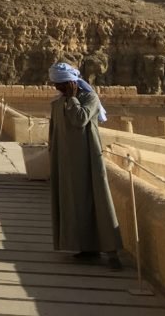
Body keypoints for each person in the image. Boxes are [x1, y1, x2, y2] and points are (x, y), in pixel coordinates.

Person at [48, 61, 123, 269]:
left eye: (62, 85)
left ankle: (111, 251)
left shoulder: (89, 98)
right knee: (74, 205)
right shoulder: (57, 104)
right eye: (57, 85)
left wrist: (72, 99)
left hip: (88, 160)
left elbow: (80, 119)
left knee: (97, 202)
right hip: (65, 162)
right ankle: (86, 247)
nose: (58, 89)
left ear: (72, 83)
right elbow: (54, 132)